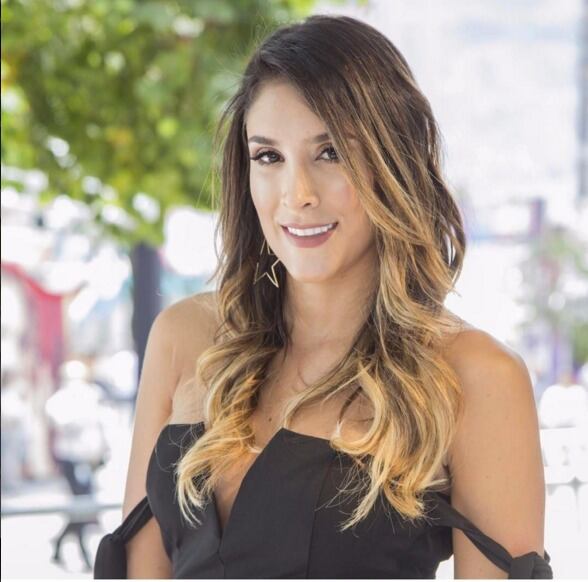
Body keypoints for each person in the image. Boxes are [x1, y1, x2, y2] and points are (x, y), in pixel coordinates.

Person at [114, 15, 552, 579]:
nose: (297, 194)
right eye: (268, 156)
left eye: (331, 153)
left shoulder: (475, 376)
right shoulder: (185, 338)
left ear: (393, 164)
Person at [45, 360, 109, 571]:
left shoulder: (92, 394)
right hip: (71, 458)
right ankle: (84, 554)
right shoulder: (61, 399)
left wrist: (103, 450)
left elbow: (101, 425)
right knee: (81, 504)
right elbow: (59, 420)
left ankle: (59, 544)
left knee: (83, 505)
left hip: (88, 457)